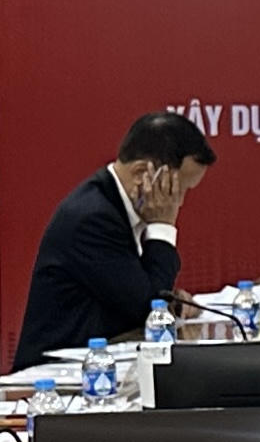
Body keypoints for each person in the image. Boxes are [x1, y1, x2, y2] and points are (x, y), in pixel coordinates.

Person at [17, 111, 214, 364]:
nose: (180, 202)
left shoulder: (114, 204)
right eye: (179, 189)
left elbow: (132, 293)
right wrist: (162, 226)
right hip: (57, 373)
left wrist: (172, 303)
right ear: (142, 172)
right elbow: (147, 309)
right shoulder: (92, 217)